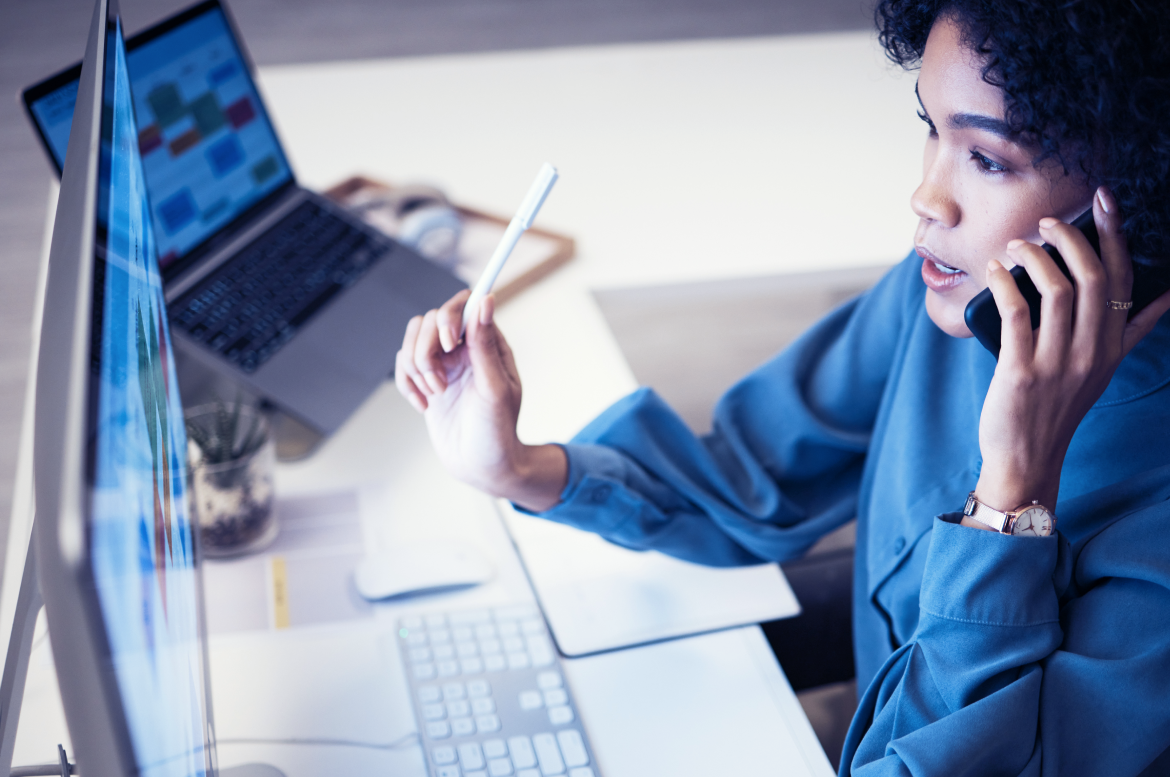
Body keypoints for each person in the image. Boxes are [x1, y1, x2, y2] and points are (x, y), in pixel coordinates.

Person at [395, 0, 1170, 773]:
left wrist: (1011, 500)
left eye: (989, 159)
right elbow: (752, 471)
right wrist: (519, 468)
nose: (927, 198)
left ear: (1134, 192)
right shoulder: (953, 301)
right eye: (932, 128)